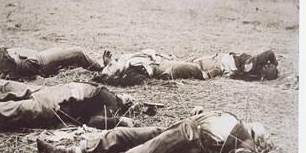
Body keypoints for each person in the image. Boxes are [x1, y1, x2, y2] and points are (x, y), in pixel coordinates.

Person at [36, 107, 293, 153]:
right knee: (123, 136)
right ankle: (70, 152)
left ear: (258, 140)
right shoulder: (235, 118)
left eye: (265, 135)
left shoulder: (244, 140)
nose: (263, 130)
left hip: (187, 140)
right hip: (182, 126)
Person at [0, 77, 135, 136]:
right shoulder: (103, 89)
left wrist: (120, 120)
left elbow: (95, 122)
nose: (128, 96)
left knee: (0, 111)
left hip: (54, 106)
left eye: (130, 99)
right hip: (45, 90)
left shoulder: (112, 103)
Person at [96, 49, 279, 85]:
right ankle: (206, 74)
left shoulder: (127, 60)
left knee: (191, 64)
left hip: (162, 60)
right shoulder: (251, 63)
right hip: (220, 61)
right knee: (193, 67)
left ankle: (204, 71)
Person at [0, 47, 104, 81]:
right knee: (77, 53)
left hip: (35, 57)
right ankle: (104, 70)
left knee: (71, 57)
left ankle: (98, 66)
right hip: (38, 61)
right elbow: (1, 77)